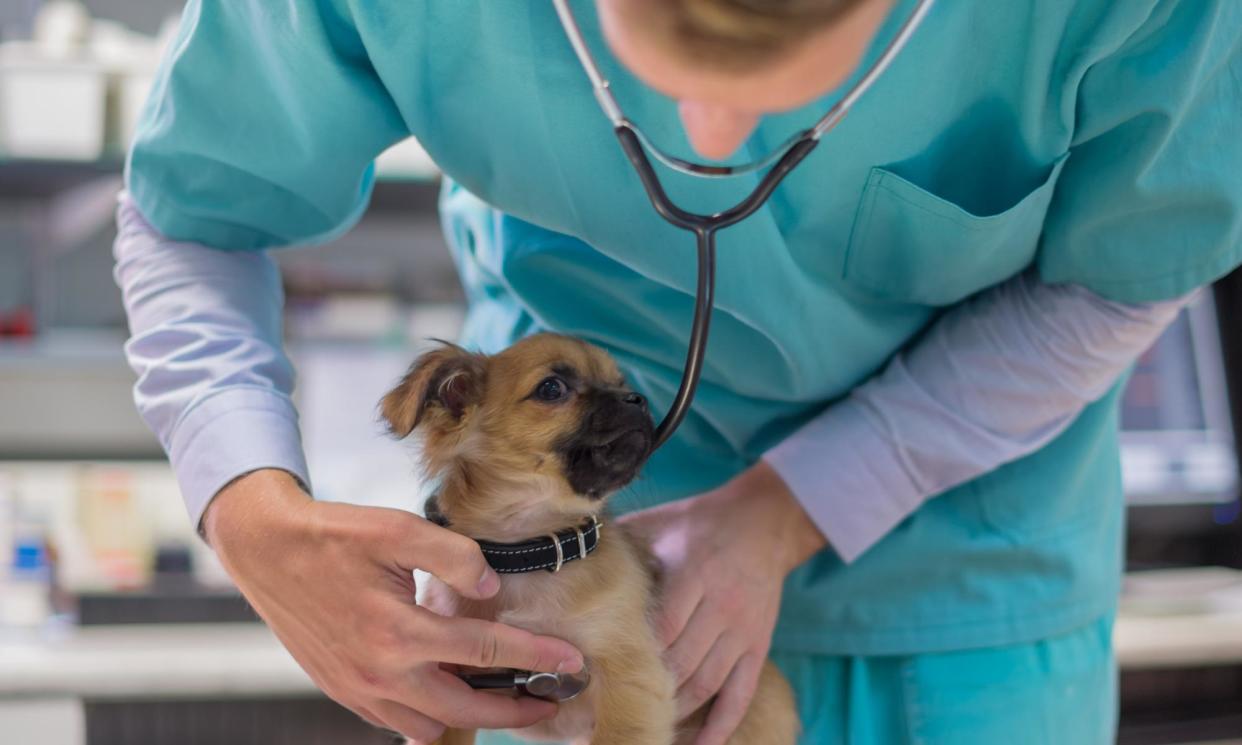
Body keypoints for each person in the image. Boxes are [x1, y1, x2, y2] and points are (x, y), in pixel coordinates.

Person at [113, 0, 1242, 743]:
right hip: (541, 625)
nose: (708, 136)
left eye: (791, 69)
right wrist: (249, 511)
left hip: (958, 595)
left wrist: (798, 502)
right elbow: (194, 210)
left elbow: (1128, 271)